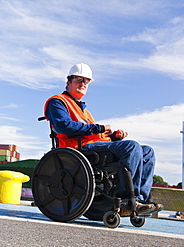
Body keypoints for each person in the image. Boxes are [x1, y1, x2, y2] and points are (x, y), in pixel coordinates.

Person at [44, 63, 163, 216]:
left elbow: (94, 134)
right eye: (79, 80)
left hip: (94, 145)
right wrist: (99, 128)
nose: (83, 84)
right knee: (132, 147)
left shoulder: (83, 110)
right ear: (68, 82)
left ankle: (142, 201)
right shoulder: (58, 101)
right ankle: (127, 201)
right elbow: (63, 126)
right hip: (78, 149)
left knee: (147, 151)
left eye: (86, 81)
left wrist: (113, 137)